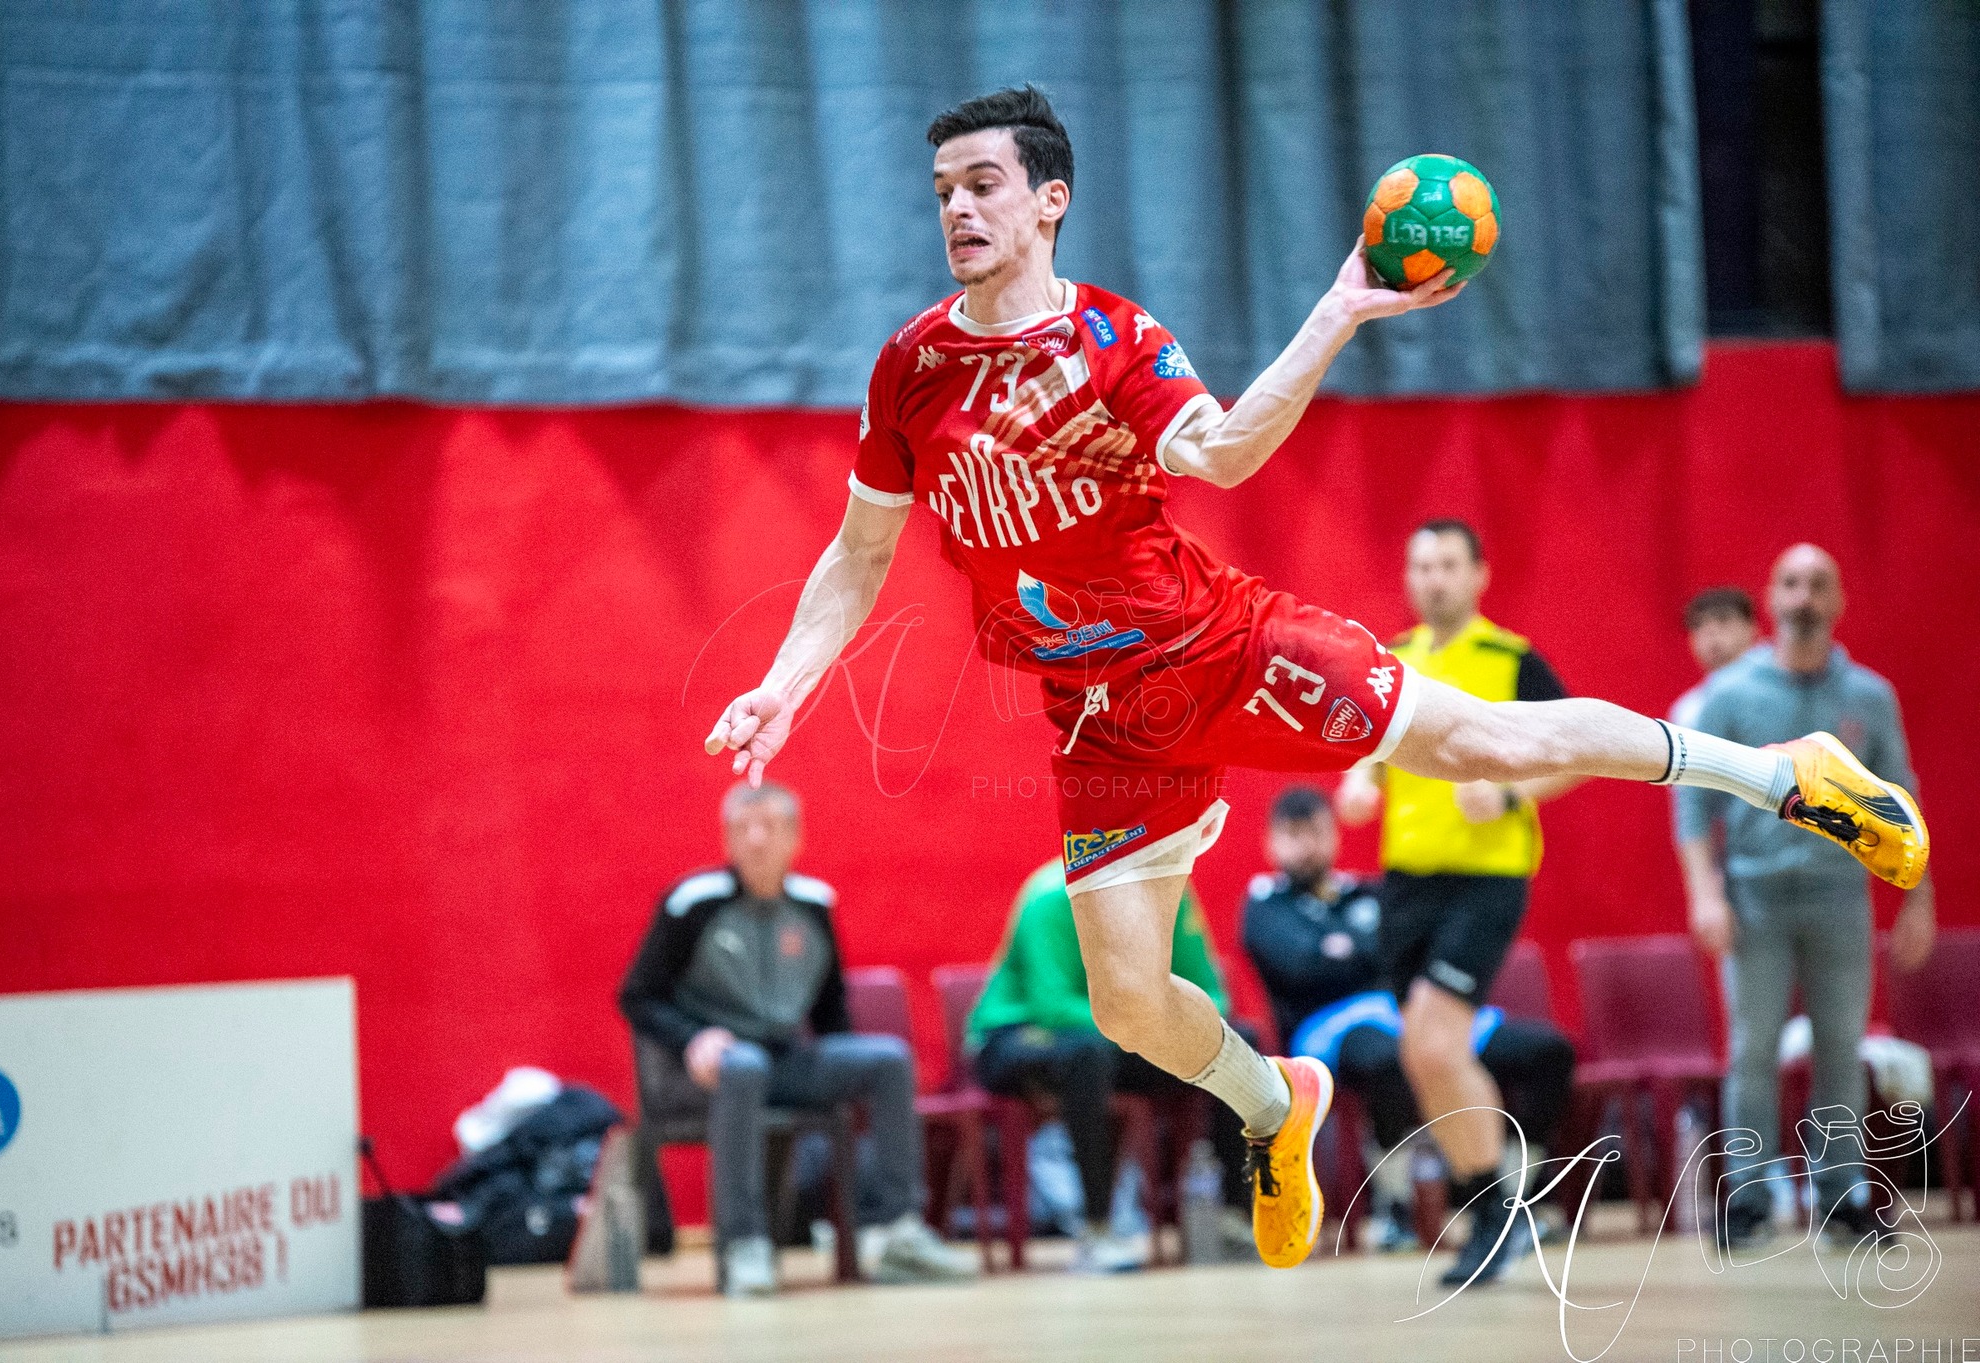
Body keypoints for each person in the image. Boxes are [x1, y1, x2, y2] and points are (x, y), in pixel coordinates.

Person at [701, 84, 1928, 1275]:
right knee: (1127, 1003)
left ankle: (1782, 773)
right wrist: (782, 684)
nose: (957, 209)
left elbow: (1224, 451)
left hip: (1224, 649)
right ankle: (1270, 1104)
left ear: (1047, 201)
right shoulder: (909, 368)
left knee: (1487, 741)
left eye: (982, 185)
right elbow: (859, 551)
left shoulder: (1111, 339)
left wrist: (1341, 306)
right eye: (941, 191)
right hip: (1095, 718)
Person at [1330, 520, 1583, 1280]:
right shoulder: (1393, 660)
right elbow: (1371, 754)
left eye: (1447, 564)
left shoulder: (1511, 662)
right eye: (1421, 566)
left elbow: (1575, 753)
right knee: (1421, 1053)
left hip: (1486, 879)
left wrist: (1507, 792)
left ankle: (1493, 1211)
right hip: (1405, 884)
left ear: (1478, 574)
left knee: (1436, 1041)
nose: (1433, 578)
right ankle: (1494, 1201)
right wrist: (1357, 783)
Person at [1675, 545, 1937, 1249]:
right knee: (1752, 1048)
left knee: (1841, 1049)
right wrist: (1705, 892)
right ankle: (1751, 1197)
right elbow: (1694, 806)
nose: (1804, 595)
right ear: (1770, 595)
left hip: (1838, 898)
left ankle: (1840, 1193)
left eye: (1818, 583)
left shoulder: (1868, 696)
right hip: (1753, 897)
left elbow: (1899, 796)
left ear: (1839, 599)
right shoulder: (1730, 693)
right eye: (1791, 581)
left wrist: (1918, 897)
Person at [620, 782, 976, 1294]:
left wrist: (840, 1072)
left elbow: (831, 1010)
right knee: (744, 1066)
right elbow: (638, 996)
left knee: (887, 1059)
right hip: (703, 1071)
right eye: (743, 829)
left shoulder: (813, 906)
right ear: (728, 841)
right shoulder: (691, 903)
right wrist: (692, 1039)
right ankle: (744, 1245)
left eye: (769, 826)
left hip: (784, 1062)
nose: (757, 839)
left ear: (795, 838)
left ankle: (898, 1233)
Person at [1247, 784, 1574, 1280]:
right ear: (1272, 842)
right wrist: (1359, 952)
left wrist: (1346, 950)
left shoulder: (1366, 891)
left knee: (1546, 1051)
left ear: (1334, 835)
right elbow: (1304, 967)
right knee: (1391, 1059)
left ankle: (1516, 1191)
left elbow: (1393, 954)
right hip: (1327, 1032)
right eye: (1293, 835)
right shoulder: (1265, 903)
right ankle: (1397, 1205)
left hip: (1401, 1010)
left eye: (1316, 831)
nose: (1307, 846)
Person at [967, 859, 1251, 1271]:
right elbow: (1054, 1007)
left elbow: (1212, 995)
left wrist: (1184, 1028)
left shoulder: (1172, 892)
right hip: (1017, 1032)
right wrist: (1149, 1024)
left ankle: (1231, 1218)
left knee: (1232, 1043)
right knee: (1086, 1056)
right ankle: (1097, 1229)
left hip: (1117, 1035)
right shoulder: (1051, 896)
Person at [1671, 586, 1760, 727]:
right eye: (1698, 624)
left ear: (1751, 627)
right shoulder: (1687, 710)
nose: (1710, 630)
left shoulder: (1787, 683)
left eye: (1722, 619)